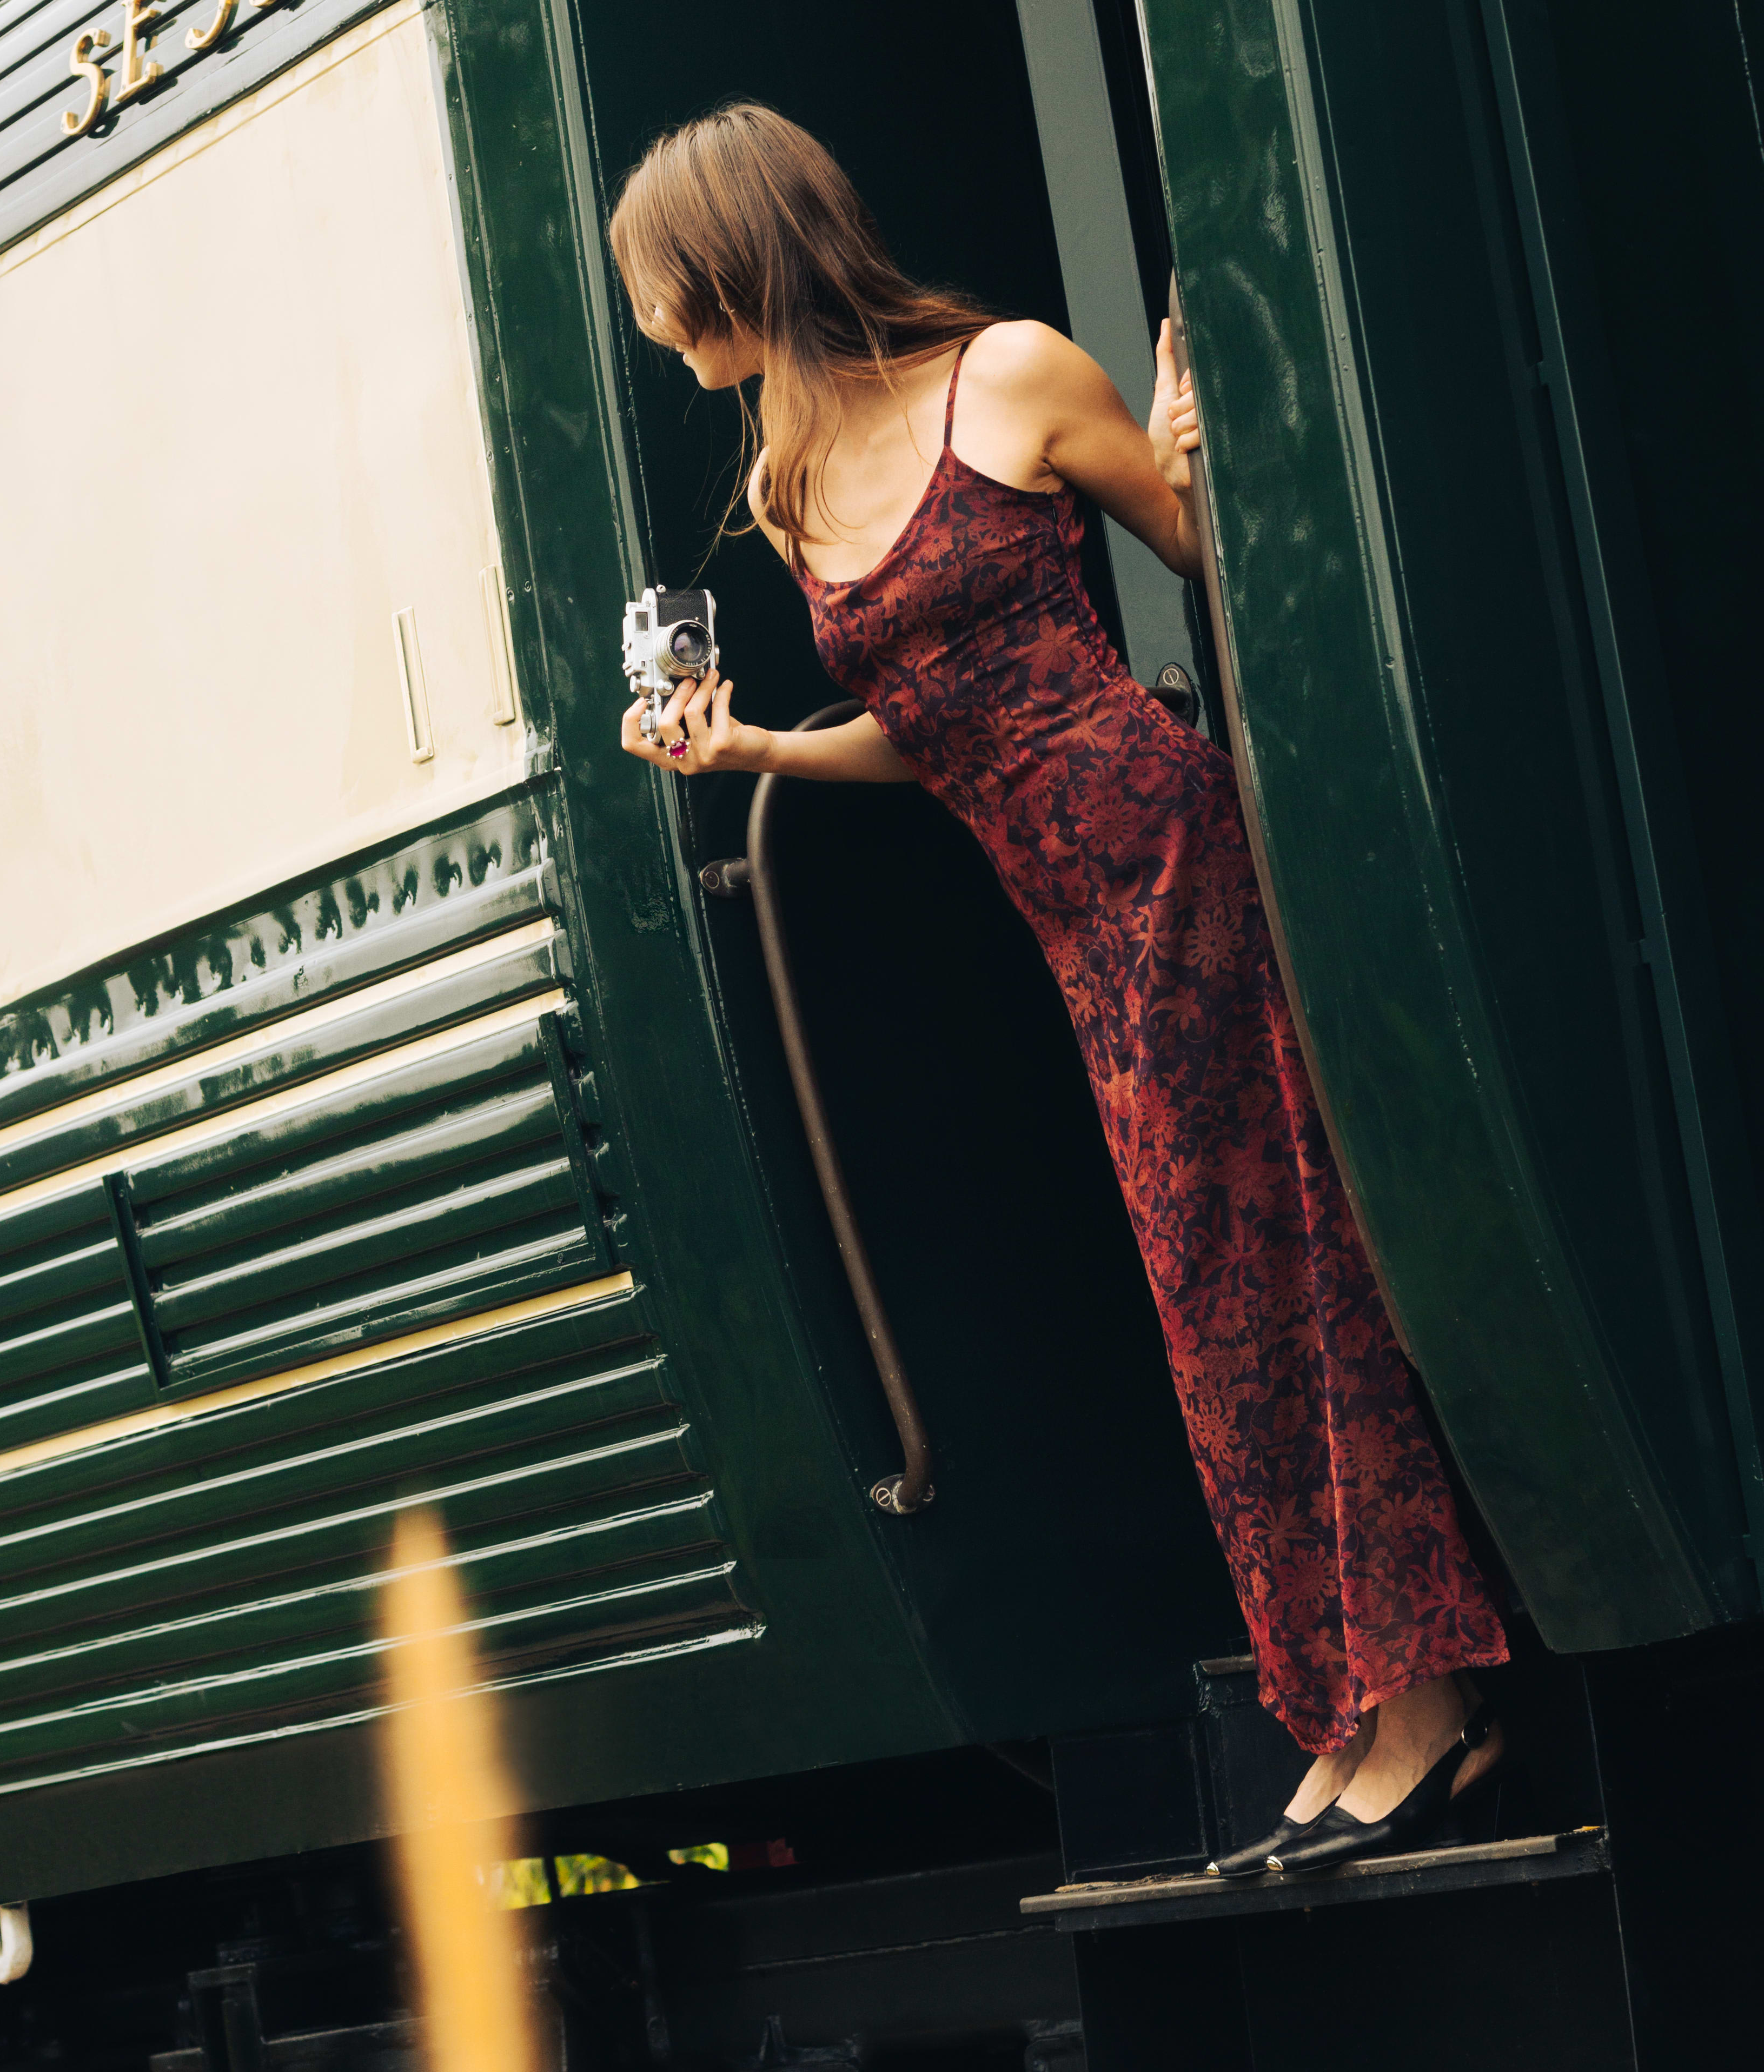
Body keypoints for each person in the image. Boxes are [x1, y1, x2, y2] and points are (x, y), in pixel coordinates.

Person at [609, 99, 1508, 1876]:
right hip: (1072, 918)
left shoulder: (1008, 374)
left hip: (1173, 853)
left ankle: (1429, 1709)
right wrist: (756, 749)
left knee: (1281, 1262)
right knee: (1207, 1305)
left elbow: (1201, 557)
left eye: (660, 285)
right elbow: (934, 732)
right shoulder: (785, 489)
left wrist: (1192, 460)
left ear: (734, 261)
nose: (651, 323)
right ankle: (1339, 1707)